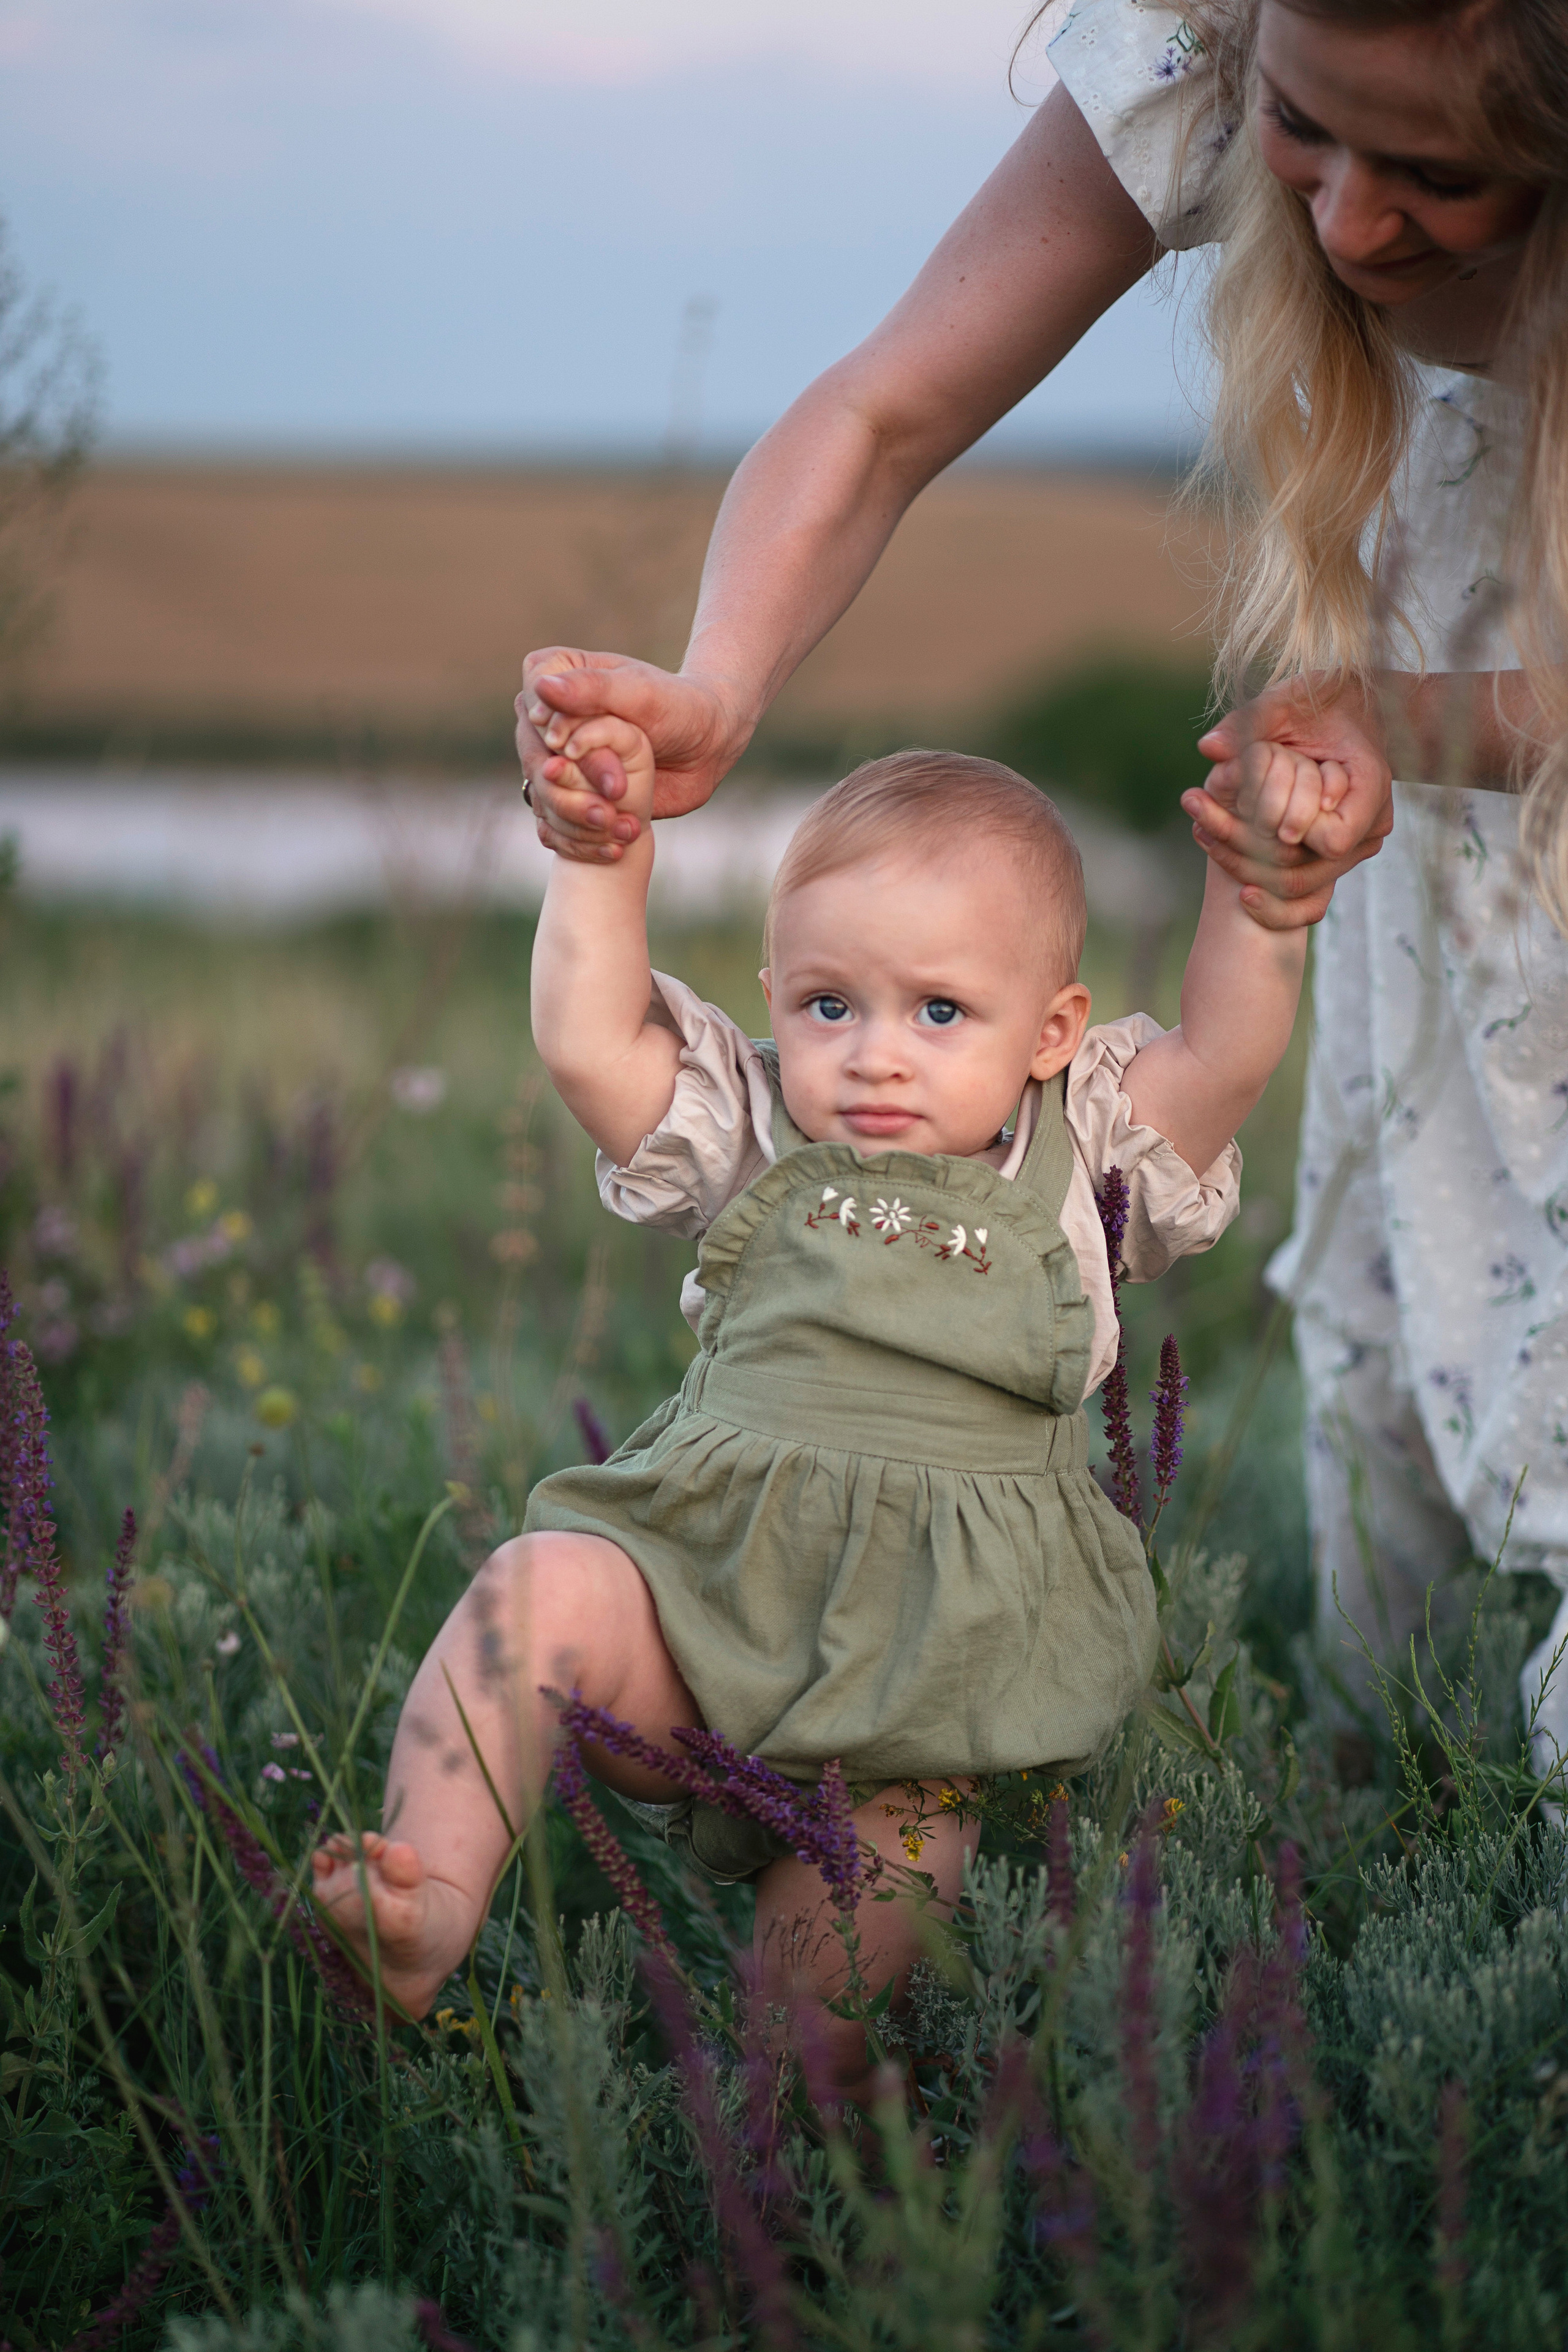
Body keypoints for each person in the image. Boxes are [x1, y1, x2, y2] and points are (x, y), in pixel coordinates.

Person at [514, 0, 1568, 1772]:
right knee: (1424, 1251)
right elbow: (879, 414)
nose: (1345, 227)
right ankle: (1390, 1785)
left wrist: (1389, 723)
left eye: (1443, 177)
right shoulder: (1196, 44)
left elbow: (1212, 1065)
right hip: (1431, 685)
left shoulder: (1075, 1141)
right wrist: (717, 686)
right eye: (1307, 131)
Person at [315, 735, 1322, 2098]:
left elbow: (1222, 1058)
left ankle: (791, 2200)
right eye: (827, 1006)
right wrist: (598, 863)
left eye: (939, 1012)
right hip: (702, 1608)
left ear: (1051, 1030)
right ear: (774, 1002)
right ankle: (425, 1896)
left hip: (922, 1701)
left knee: (815, 2028)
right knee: (534, 1588)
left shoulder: (1085, 1161)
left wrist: (1259, 906)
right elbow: (588, 1040)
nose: (874, 1058)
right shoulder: (749, 1141)